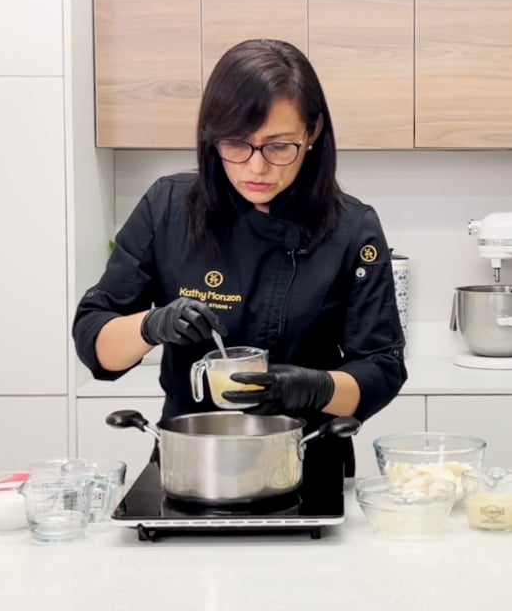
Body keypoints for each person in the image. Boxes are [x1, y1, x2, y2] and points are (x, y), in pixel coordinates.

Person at [72, 38, 407, 476]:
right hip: (190, 463)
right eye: (236, 144)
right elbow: (95, 343)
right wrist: (152, 325)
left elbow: (382, 368)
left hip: (307, 462)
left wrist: (315, 387)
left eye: (279, 146)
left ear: (313, 132)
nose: (256, 168)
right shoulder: (168, 207)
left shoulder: (351, 228)